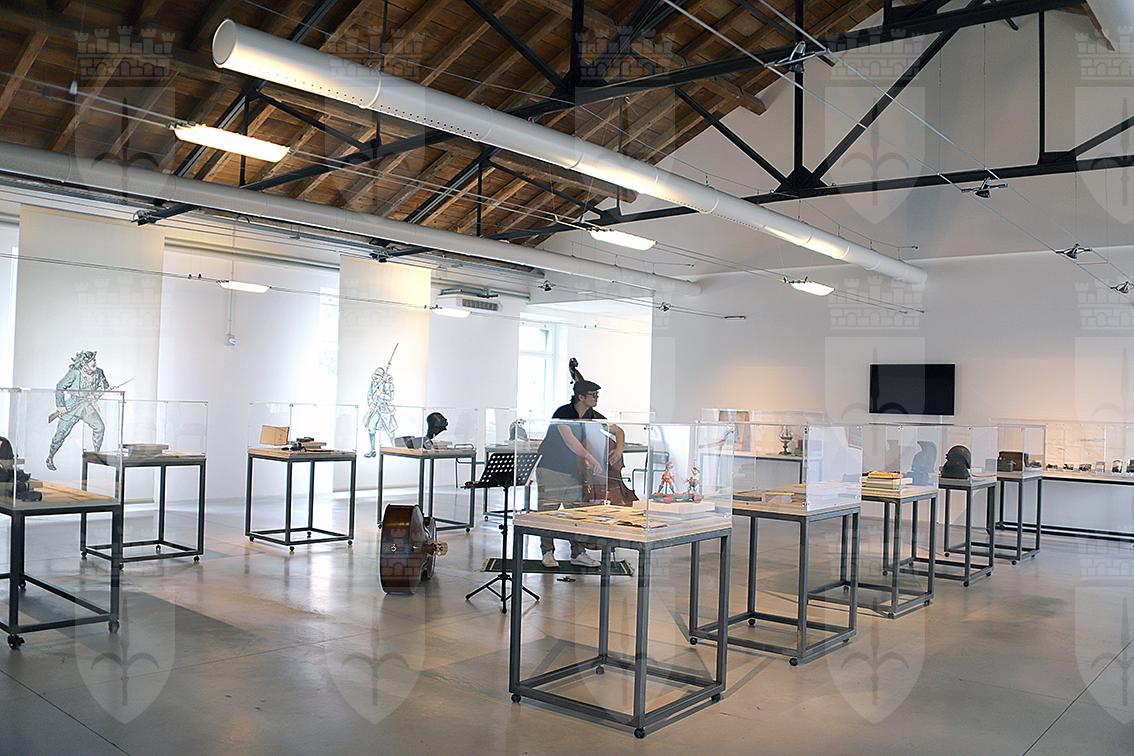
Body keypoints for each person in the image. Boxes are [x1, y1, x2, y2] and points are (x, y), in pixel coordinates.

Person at [536, 377, 625, 568]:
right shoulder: (563, 413)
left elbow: (618, 431)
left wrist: (618, 450)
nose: (596, 398)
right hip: (552, 468)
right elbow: (570, 440)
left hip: (574, 471)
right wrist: (591, 458)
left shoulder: (593, 415)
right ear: (581, 396)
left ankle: (578, 553)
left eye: (597, 394)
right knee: (547, 512)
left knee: (577, 514)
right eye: (593, 395)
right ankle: (547, 552)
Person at [46, 350, 109, 471]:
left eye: (94, 360)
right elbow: (60, 386)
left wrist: (96, 395)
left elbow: (104, 386)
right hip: (72, 406)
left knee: (99, 427)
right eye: (90, 360)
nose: (94, 362)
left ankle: (96, 454)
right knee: (60, 434)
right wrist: (60, 405)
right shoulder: (75, 373)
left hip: (87, 406)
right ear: (84, 363)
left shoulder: (99, 372)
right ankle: (50, 457)